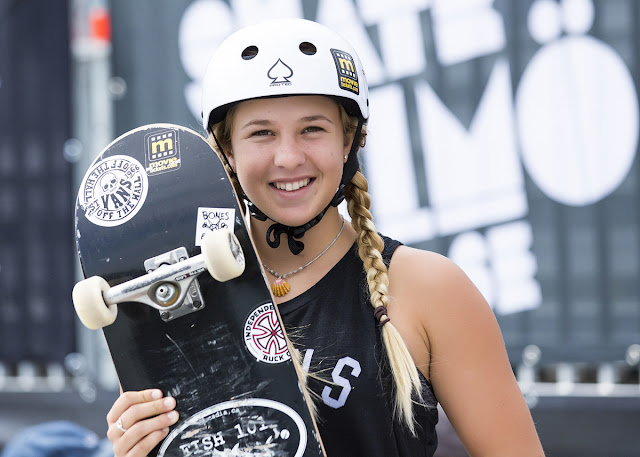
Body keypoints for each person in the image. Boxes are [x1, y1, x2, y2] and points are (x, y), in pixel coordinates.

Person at [106, 18, 545, 456]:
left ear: (348, 139)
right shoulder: (186, 299)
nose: (288, 157)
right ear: (227, 150)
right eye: (262, 133)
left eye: (312, 129)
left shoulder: (429, 287)